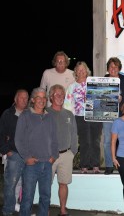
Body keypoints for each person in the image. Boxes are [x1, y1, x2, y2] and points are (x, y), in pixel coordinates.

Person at [15, 87, 59, 216]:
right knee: (27, 197)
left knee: (45, 197)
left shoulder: (50, 117)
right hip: (31, 165)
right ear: (33, 100)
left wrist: (54, 156)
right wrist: (27, 157)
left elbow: (55, 139)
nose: (41, 100)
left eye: (44, 98)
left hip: (47, 164)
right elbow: (18, 139)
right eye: (38, 97)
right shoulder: (25, 115)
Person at [64, 61, 102, 174]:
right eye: (79, 70)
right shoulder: (71, 87)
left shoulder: (94, 84)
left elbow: (102, 99)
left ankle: (96, 165)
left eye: (83, 69)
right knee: (84, 141)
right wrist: (70, 119)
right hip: (79, 117)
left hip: (95, 116)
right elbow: (67, 104)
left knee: (95, 141)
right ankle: (84, 166)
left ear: (87, 71)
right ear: (76, 72)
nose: (81, 71)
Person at [47, 84, 78, 216]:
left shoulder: (69, 114)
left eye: (62, 94)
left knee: (63, 184)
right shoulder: (45, 113)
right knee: (46, 185)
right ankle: (45, 211)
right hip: (49, 156)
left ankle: (63, 210)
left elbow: (74, 134)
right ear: (51, 97)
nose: (60, 97)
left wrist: (73, 152)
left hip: (66, 155)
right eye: (57, 94)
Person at [103, 57, 124, 175]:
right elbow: (95, 96)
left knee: (121, 141)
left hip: (121, 116)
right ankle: (108, 165)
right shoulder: (102, 80)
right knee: (107, 141)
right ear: (108, 68)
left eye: (116, 67)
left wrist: (123, 99)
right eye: (111, 66)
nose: (113, 69)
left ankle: (121, 164)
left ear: (119, 68)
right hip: (106, 115)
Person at [0, 89, 29, 215]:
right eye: (21, 98)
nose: (24, 100)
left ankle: (23, 210)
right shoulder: (8, 114)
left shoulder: (30, 114)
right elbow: (1, 133)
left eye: (26, 98)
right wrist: (6, 150)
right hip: (14, 154)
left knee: (26, 185)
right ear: (15, 99)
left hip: (28, 155)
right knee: (10, 185)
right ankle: (7, 210)